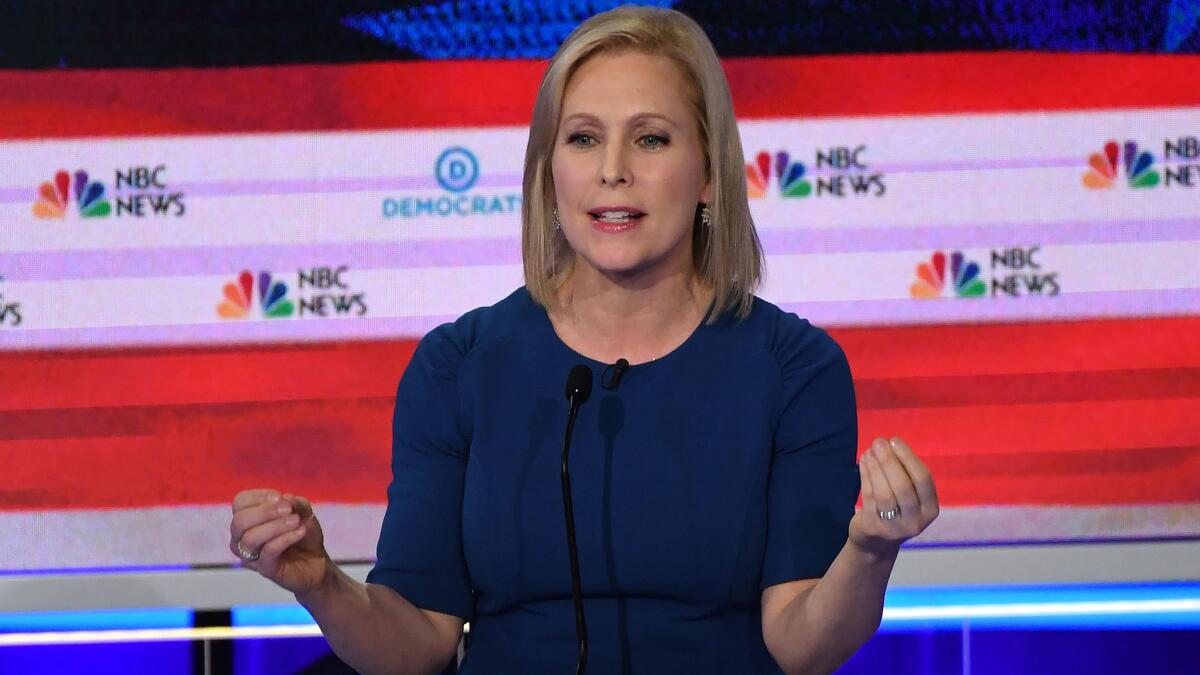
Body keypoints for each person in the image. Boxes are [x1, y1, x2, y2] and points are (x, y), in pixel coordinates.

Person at [229, 6, 940, 674]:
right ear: (549, 172)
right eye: (584, 137)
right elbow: (417, 639)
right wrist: (322, 584)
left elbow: (801, 643)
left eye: (651, 137)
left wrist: (871, 549)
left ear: (709, 176)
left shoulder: (793, 369)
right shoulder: (460, 366)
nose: (612, 170)